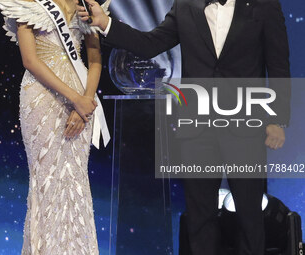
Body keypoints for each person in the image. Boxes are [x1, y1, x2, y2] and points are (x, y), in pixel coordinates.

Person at [78, 0, 291, 254]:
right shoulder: (185, 6)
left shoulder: (264, 5)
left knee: (250, 216)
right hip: (197, 129)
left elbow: (278, 64)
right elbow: (150, 44)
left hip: (245, 125)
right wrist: (106, 23)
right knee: (200, 218)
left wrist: (277, 119)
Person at [0, 0, 110, 253]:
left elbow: (95, 59)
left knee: (75, 179)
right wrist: (76, 99)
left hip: (81, 98)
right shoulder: (29, 4)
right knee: (46, 180)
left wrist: (86, 101)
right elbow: (30, 61)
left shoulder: (86, 6)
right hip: (42, 97)